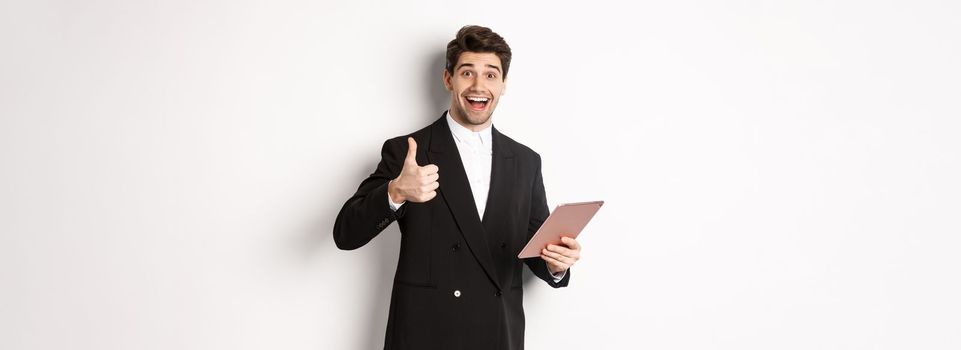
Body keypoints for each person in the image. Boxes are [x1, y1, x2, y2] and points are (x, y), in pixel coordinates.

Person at [333, 25, 582, 350]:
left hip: (498, 335)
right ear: (448, 79)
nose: (479, 86)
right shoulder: (409, 150)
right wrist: (394, 193)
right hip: (426, 334)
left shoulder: (525, 161)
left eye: (491, 75)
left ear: (504, 84)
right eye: (468, 73)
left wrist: (555, 264)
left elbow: (532, 249)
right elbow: (346, 234)